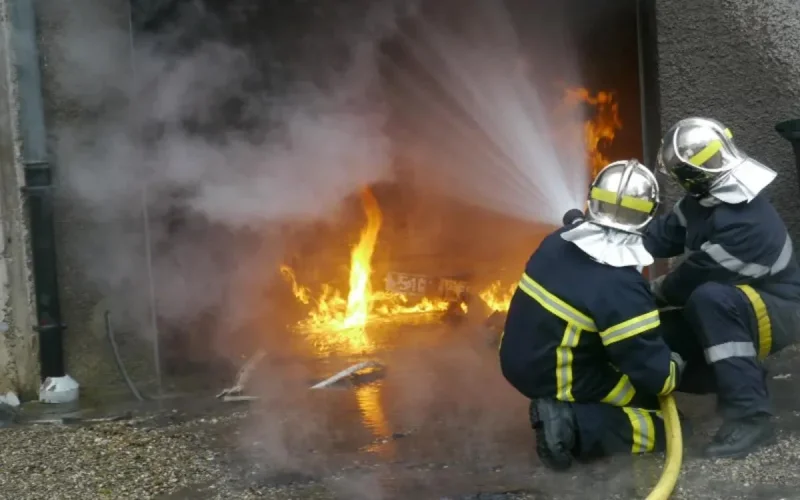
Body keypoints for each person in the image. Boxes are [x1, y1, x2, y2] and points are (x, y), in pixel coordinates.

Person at [499, 159, 686, 471]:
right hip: (556, 373)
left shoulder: (558, 240)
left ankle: (568, 409)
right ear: (648, 216)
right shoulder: (621, 285)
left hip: (519, 355)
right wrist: (672, 371)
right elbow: (654, 373)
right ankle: (569, 425)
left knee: (633, 388)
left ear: (593, 201)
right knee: (667, 425)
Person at [643, 116, 800, 458]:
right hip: (741, 303)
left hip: (783, 309)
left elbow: (691, 280)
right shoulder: (706, 199)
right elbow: (662, 236)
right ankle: (743, 376)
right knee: (656, 334)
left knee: (708, 300)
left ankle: (750, 416)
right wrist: (611, 228)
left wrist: (646, 294)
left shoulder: (747, 223)